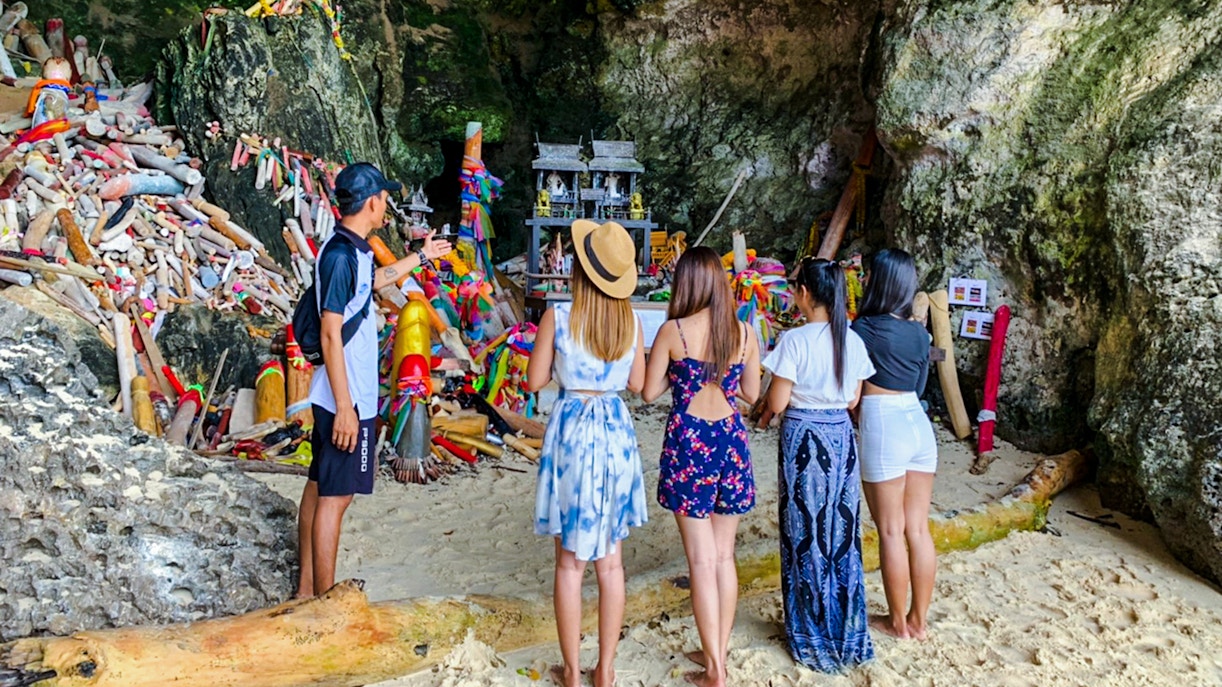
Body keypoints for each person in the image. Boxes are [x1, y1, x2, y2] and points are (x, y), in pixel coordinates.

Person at [296, 162, 452, 598]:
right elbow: (330, 332)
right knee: (336, 498)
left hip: (343, 392)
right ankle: (326, 602)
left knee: (319, 485)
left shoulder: (352, 249)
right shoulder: (342, 255)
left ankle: (307, 589)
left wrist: (421, 257)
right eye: (383, 197)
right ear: (371, 202)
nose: (386, 204)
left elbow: (373, 282)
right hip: (344, 397)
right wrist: (346, 407)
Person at [527, 219, 648, 687]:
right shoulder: (630, 320)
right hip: (614, 431)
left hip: (572, 432)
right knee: (611, 562)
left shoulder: (558, 317)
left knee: (569, 563)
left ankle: (574, 673)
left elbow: (535, 382)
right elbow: (637, 384)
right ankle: (607, 669)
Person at [642, 247, 760, 687]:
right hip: (730, 443)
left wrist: (678, 373)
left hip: (689, 445)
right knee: (723, 556)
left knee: (701, 560)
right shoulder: (745, 333)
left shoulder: (675, 332)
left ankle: (714, 670)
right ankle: (718, 652)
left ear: (686, 284)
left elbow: (649, 392)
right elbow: (750, 392)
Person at [763, 256, 876, 672]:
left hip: (803, 440)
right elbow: (852, 400)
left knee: (804, 532)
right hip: (841, 439)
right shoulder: (853, 341)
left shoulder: (795, 341)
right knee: (840, 532)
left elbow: (776, 403)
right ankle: (845, 627)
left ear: (805, 294)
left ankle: (809, 628)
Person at [851, 248, 938, 640]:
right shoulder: (920, 334)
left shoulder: (863, 329)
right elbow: (920, 387)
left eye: (869, 273)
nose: (865, 279)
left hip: (883, 422)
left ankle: (897, 622)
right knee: (917, 529)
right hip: (918, 425)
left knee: (890, 530)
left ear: (880, 281)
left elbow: (853, 387)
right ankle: (920, 619)